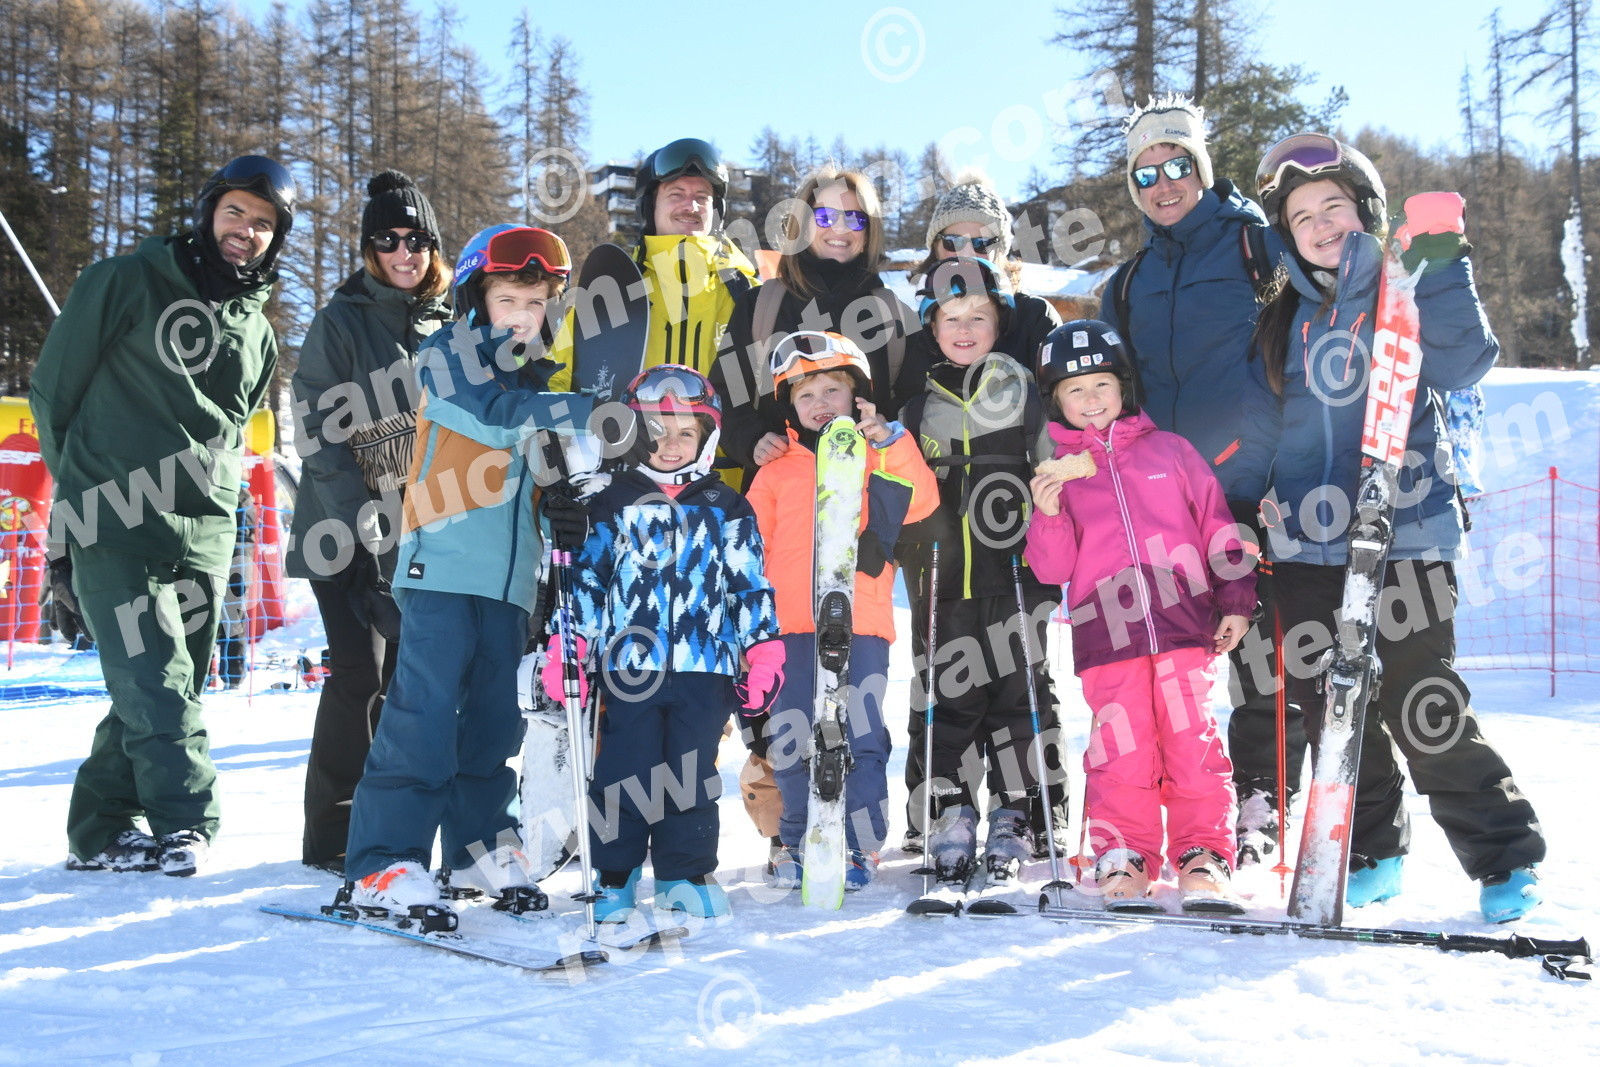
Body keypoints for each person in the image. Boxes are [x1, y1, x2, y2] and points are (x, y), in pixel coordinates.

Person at [1236, 134, 1546, 923]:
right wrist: (1247, 510)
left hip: (1404, 533)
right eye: (1302, 215)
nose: (1321, 223)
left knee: (1421, 699)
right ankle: (1375, 849)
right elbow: (1263, 433)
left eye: (1334, 205)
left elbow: (1463, 360)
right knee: (1333, 708)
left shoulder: (1404, 289)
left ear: (1365, 211)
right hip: (1306, 547)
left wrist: (1443, 258)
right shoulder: (1283, 320)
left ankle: (1504, 853)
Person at [32, 154, 295, 877]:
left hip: (204, 530)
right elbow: (54, 394)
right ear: (209, 212)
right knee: (155, 677)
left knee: (164, 682)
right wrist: (80, 501)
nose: (246, 230)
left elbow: (234, 430)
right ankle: (187, 823)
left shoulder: (258, 331)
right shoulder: (125, 280)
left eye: (264, 223)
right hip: (113, 520)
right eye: (235, 211)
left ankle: (100, 827)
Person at [339, 224, 587, 915]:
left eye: (535, 303)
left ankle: (479, 848)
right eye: (509, 299)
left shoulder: (538, 385)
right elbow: (492, 418)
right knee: (423, 717)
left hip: (510, 585)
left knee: (493, 723)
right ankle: (384, 860)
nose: (523, 316)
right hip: (442, 573)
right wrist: (585, 410)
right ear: (477, 300)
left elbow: (532, 481)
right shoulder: (445, 357)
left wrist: (562, 511)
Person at [1102, 93, 1299, 865]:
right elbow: (1115, 399)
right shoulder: (1127, 283)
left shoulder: (1259, 246)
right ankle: (1178, 818)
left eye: (1178, 164)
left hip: (1253, 488)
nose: (1164, 184)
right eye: (1145, 173)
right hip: (1166, 507)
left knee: (1263, 660)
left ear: (1203, 168)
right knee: (1173, 671)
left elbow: (1309, 347)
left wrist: (1289, 469)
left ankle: (1261, 798)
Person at [1025, 320, 1255, 913]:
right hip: (1107, 633)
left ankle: (1203, 855)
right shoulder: (1057, 471)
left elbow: (1216, 525)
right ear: (1056, 401)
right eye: (1075, 390)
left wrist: (1234, 599)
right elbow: (1052, 568)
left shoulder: (1170, 451)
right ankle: (1124, 854)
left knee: (1191, 742)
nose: (1091, 399)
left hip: (1184, 624)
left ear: (1124, 387)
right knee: (1120, 748)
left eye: (1102, 384)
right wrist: (1047, 514)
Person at [552, 365, 781, 920]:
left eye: (685, 432)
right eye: (657, 432)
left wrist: (762, 648)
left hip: (706, 667)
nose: (671, 444)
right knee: (623, 770)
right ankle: (615, 875)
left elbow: (748, 583)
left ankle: (684, 874)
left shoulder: (727, 505)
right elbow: (588, 578)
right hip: (629, 664)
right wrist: (571, 645)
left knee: (690, 774)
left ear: (707, 437)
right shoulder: (613, 502)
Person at [897, 173, 1068, 855]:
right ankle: (943, 808)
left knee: (1020, 686)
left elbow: (1058, 443)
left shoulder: (1030, 350)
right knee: (946, 685)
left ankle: (1028, 809)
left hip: (1015, 557)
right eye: (952, 239)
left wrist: (1055, 529)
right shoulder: (916, 377)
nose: (964, 329)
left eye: (983, 239)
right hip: (940, 560)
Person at [289, 171, 451, 874]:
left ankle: (388, 826)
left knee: (409, 684)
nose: (403, 252)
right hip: (344, 534)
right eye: (387, 239)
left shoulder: (450, 322)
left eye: (416, 239)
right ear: (368, 249)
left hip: (426, 534)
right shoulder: (341, 321)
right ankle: (332, 834)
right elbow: (318, 432)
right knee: (360, 673)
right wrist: (363, 541)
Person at [745, 331, 937, 890]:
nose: (820, 402)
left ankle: (859, 843)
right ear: (790, 407)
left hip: (862, 621)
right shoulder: (777, 470)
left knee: (860, 733)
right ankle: (796, 838)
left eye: (833, 389)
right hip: (789, 626)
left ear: (857, 395)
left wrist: (892, 440)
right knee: (791, 734)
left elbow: (922, 501)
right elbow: (750, 546)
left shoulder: (880, 455)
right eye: (806, 395)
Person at [716, 166, 917, 482]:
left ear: (868, 234)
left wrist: (889, 429)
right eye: (824, 216)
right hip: (778, 493)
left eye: (855, 219)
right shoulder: (759, 306)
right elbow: (724, 392)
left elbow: (915, 401)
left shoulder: (894, 314)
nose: (840, 228)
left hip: (870, 495)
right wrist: (751, 439)